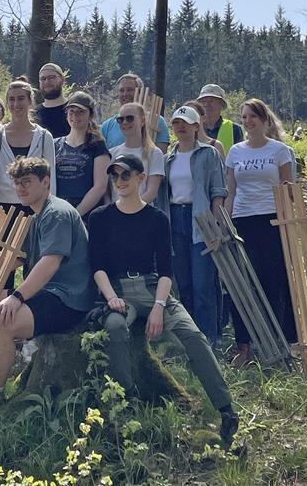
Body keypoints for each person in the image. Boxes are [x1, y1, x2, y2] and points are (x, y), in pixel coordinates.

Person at [89, 154, 237, 447]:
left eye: (125, 175)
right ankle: (126, 403)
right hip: (116, 290)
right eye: (115, 176)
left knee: (193, 336)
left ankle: (226, 410)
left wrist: (158, 307)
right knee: (115, 328)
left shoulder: (157, 219)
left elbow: (167, 271)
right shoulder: (100, 217)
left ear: (141, 177)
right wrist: (111, 297)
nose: (119, 181)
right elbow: (97, 266)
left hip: (154, 287)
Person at [0, 157, 95, 428]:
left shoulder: (56, 213)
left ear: (46, 181)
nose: (21, 188)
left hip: (69, 298)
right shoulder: (36, 216)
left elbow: (50, 263)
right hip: (50, 293)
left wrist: (17, 296)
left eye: (27, 182)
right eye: (17, 183)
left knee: (2, 320)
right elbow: (13, 260)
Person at [224, 98, 297, 365]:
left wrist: (288, 221)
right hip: (244, 220)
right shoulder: (235, 152)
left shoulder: (280, 151)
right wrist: (227, 220)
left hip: (272, 220)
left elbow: (288, 188)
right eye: (243, 117)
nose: (247, 121)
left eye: (253, 116)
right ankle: (244, 345)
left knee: (273, 281)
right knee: (242, 282)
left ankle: (278, 342)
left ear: (264, 120)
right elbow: (231, 191)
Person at [158, 105, 227, 346]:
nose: (179, 127)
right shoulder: (168, 159)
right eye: (176, 122)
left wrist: (216, 223)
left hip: (201, 219)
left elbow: (218, 191)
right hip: (175, 218)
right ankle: (189, 340)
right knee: (183, 283)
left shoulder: (208, 154)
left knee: (203, 283)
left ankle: (209, 339)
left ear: (197, 126)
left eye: (185, 122)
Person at [0, 79, 57, 222]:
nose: (16, 104)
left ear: (30, 101)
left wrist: (51, 210)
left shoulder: (44, 136)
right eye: (11, 99)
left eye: (21, 98)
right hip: (3, 209)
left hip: (36, 208)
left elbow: (51, 177)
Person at [54, 91, 110, 216]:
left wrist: (75, 214)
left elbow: (100, 187)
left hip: (88, 214)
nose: (75, 116)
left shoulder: (98, 146)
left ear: (90, 115)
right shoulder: (54, 144)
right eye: (71, 111)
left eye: (81, 112)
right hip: (58, 211)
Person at [109, 102, 166, 204]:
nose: (125, 122)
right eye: (120, 119)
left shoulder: (154, 153)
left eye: (130, 118)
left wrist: (130, 210)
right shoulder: (112, 153)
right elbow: (108, 192)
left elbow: (151, 192)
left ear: (143, 121)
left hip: (143, 215)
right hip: (115, 215)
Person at [99, 73, 170, 152]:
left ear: (140, 93)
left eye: (129, 90)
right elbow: (103, 157)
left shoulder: (157, 121)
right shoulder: (106, 126)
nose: (125, 94)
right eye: (121, 90)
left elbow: (161, 155)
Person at [197, 84, 243, 151]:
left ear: (221, 104)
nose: (206, 105)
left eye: (211, 101)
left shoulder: (234, 129)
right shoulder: (193, 128)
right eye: (203, 101)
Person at [33, 63, 71, 138]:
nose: (47, 82)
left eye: (51, 77)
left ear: (62, 80)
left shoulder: (73, 111)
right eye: (43, 79)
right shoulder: (33, 115)